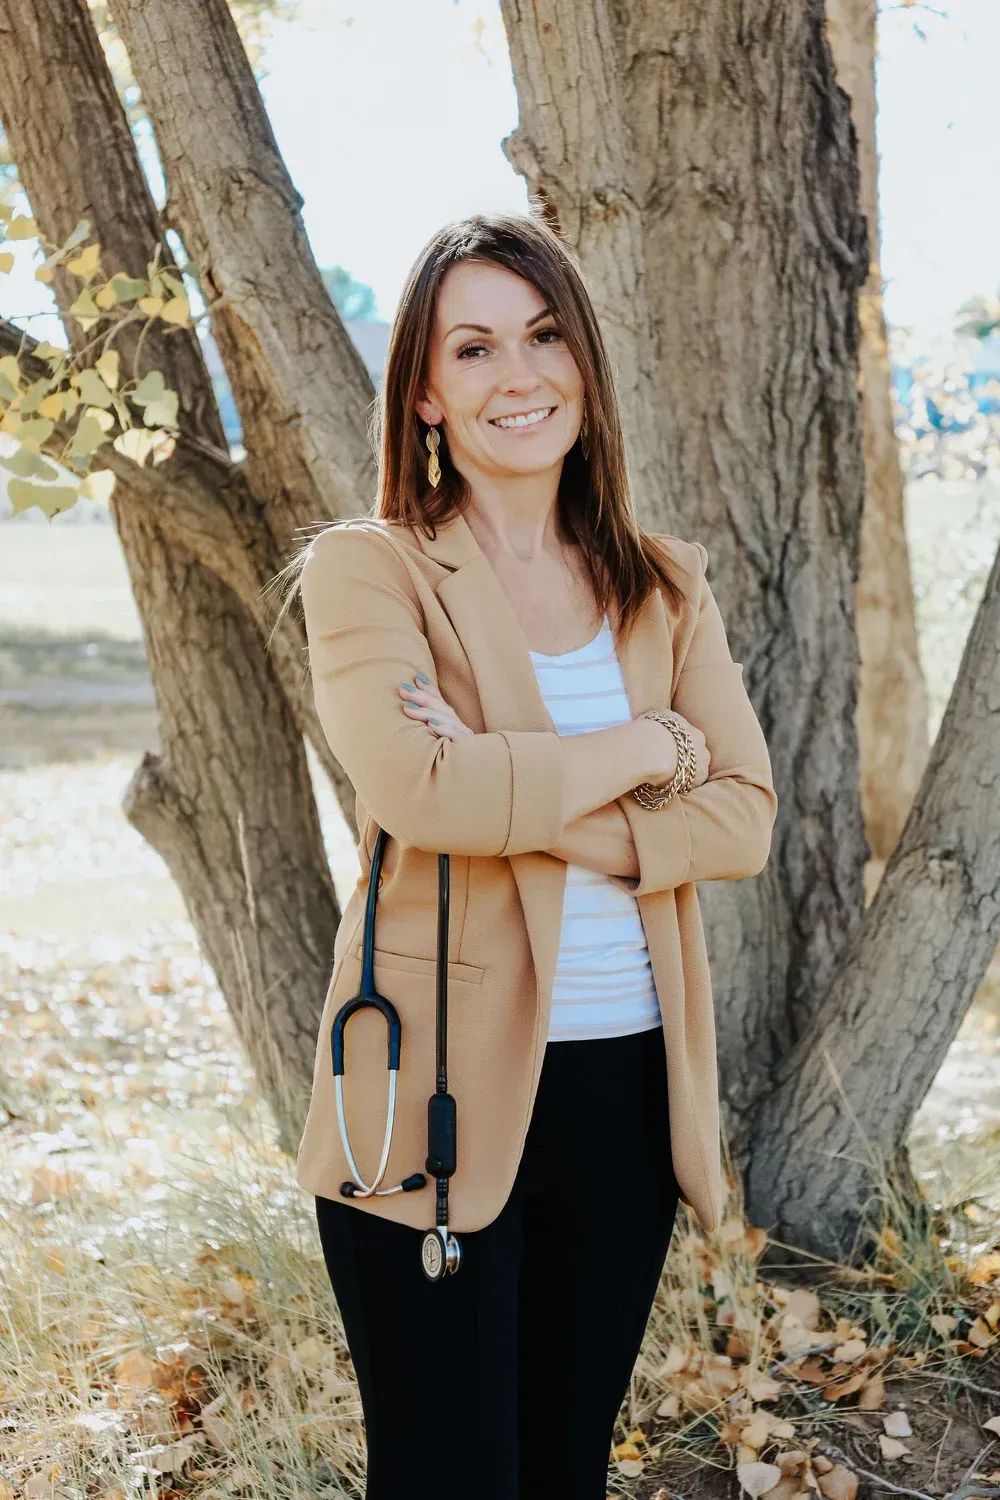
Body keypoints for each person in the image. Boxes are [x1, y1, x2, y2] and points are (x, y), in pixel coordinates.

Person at [285, 211, 777, 1499]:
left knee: (563, 1474)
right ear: (429, 395)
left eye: (546, 336)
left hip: (626, 1097)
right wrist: (645, 746)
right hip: (431, 1091)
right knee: (452, 1478)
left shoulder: (663, 586)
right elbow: (417, 787)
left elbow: (745, 816)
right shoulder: (371, 573)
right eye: (477, 348)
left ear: (584, 366)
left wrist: (517, 793)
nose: (520, 375)